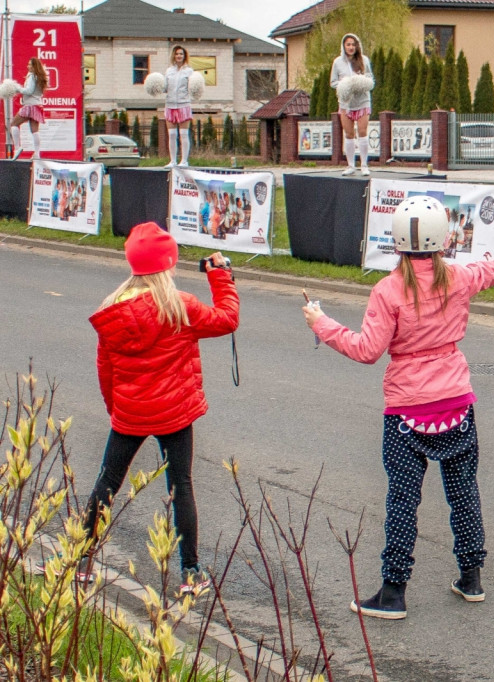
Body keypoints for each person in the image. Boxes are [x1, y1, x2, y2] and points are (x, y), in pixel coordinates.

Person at [302, 196, 494, 619]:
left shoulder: (387, 290)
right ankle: (471, 576)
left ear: (396, 242)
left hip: (407, 411)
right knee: (463, 493)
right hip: (458, 404)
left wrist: (322, 323)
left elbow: (367, 350)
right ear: (444, 239)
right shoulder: (458, 278)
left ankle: (393, 592)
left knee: (403, 501)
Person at [82, 222, 238, 592]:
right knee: (181, 484)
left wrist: (116, 409)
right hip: (175, 412)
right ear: (169, 265)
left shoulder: (111, 311)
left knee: (107, 481)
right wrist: (221, 276)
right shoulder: (180, 308)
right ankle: (190, 571)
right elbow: (227, 319)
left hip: (130, 413)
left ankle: (81, 560)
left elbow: (105, 370)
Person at [330, 33, 374, 176]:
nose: (350, 47)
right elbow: (333, 82)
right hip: (346, 103)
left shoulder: (364, 60)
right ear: (343, 46)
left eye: (353, 45)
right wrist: (345, 85)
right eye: (348, 44)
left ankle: (364, 165)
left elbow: (370, 79)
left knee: (362, 131)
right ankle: (350, 165)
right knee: (348, 134)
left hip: (362, 101)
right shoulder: (337, 62)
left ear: (357, 46)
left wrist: (360, 82)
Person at [9, 57, 48, 159]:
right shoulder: (40, 77)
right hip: (37, 105)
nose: (28, 66)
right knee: (35, 130)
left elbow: (29, 91)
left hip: (30, 105)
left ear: (34, 66)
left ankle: (17, 148)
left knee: (14, 124)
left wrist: (16, 88)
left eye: (30, 64)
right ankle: (37, 153)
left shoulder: (31, 76)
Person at [165, 45, 195, 167]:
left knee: (183, 134)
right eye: (177, 54)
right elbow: (164, 87)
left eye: (181, 54)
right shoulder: (168, 71)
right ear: (174, 55)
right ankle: (172, 161)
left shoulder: (189, 71)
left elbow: (193, 87)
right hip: (170, 105)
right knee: (172, 134)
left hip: (183, 105)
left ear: (184, 56)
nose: (179, 56)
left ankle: (184, 161)